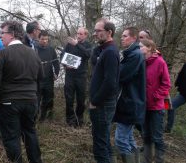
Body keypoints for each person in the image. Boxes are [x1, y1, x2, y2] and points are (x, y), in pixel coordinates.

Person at [0, 20, 43, 163]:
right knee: (30, 134)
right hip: (30, 102)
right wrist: (36, 101)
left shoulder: (2, 54)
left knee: (11, 138)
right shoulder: (34, 54)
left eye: (3, 33)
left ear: (13, 34)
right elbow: (40, 80)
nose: (0, 36)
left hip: (9, 103)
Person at [89, 18, 120, 163]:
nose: (95, 34)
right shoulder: (105, 50)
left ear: (109, 32)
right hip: (103, 103)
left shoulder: (110, 52)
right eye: (94, 31)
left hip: (102, 104)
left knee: (100, 145)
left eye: (98, 31)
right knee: (104, 139)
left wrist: (95, 101)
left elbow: (110, 83)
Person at [113, 27, 146, 162]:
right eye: (121, 36)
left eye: (125, 36)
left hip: (130, 102)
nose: (122, 38)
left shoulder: (135, 55)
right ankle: (136, 159)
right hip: (130, 102)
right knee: (129, 138)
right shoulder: (130, 54)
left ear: (133, 38)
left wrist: (112, 66)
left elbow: (122, 75)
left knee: (121, 140)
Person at [139, 39, 171, 163]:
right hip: (143, 105)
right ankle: (146, 160)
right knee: (146, 136)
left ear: (149, 48)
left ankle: (159, 160)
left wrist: (155, 96)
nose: (138, 49)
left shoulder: (160, 62)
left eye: (141, 46)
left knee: (157, 137)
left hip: (156, 107)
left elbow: (166, 84)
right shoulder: (141, 62)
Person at [61, 27, 92, 127]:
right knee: (69, 98)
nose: (78, 35)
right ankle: (70, 119)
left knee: (80, 99)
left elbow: (87, 55)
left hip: (81, 76)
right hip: (70, 75)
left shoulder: (88, 45)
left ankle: (79, 119)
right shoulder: (70, 44)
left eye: (81, 34)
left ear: (85, 35)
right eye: (78, 33)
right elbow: (62, 55)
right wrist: (65, 65)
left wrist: (77, 45)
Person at [36, 30, 60, 121]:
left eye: (46, 39)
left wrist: (56, 73)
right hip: (38, 79)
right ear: (39, 39)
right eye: (42, 39)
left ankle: (46, 117)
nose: (45, 41)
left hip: (49, 79)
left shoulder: (51, 49)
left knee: (48, 98)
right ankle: (36, 117)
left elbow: (56, 63)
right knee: (37, 99)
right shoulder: (35, 49)